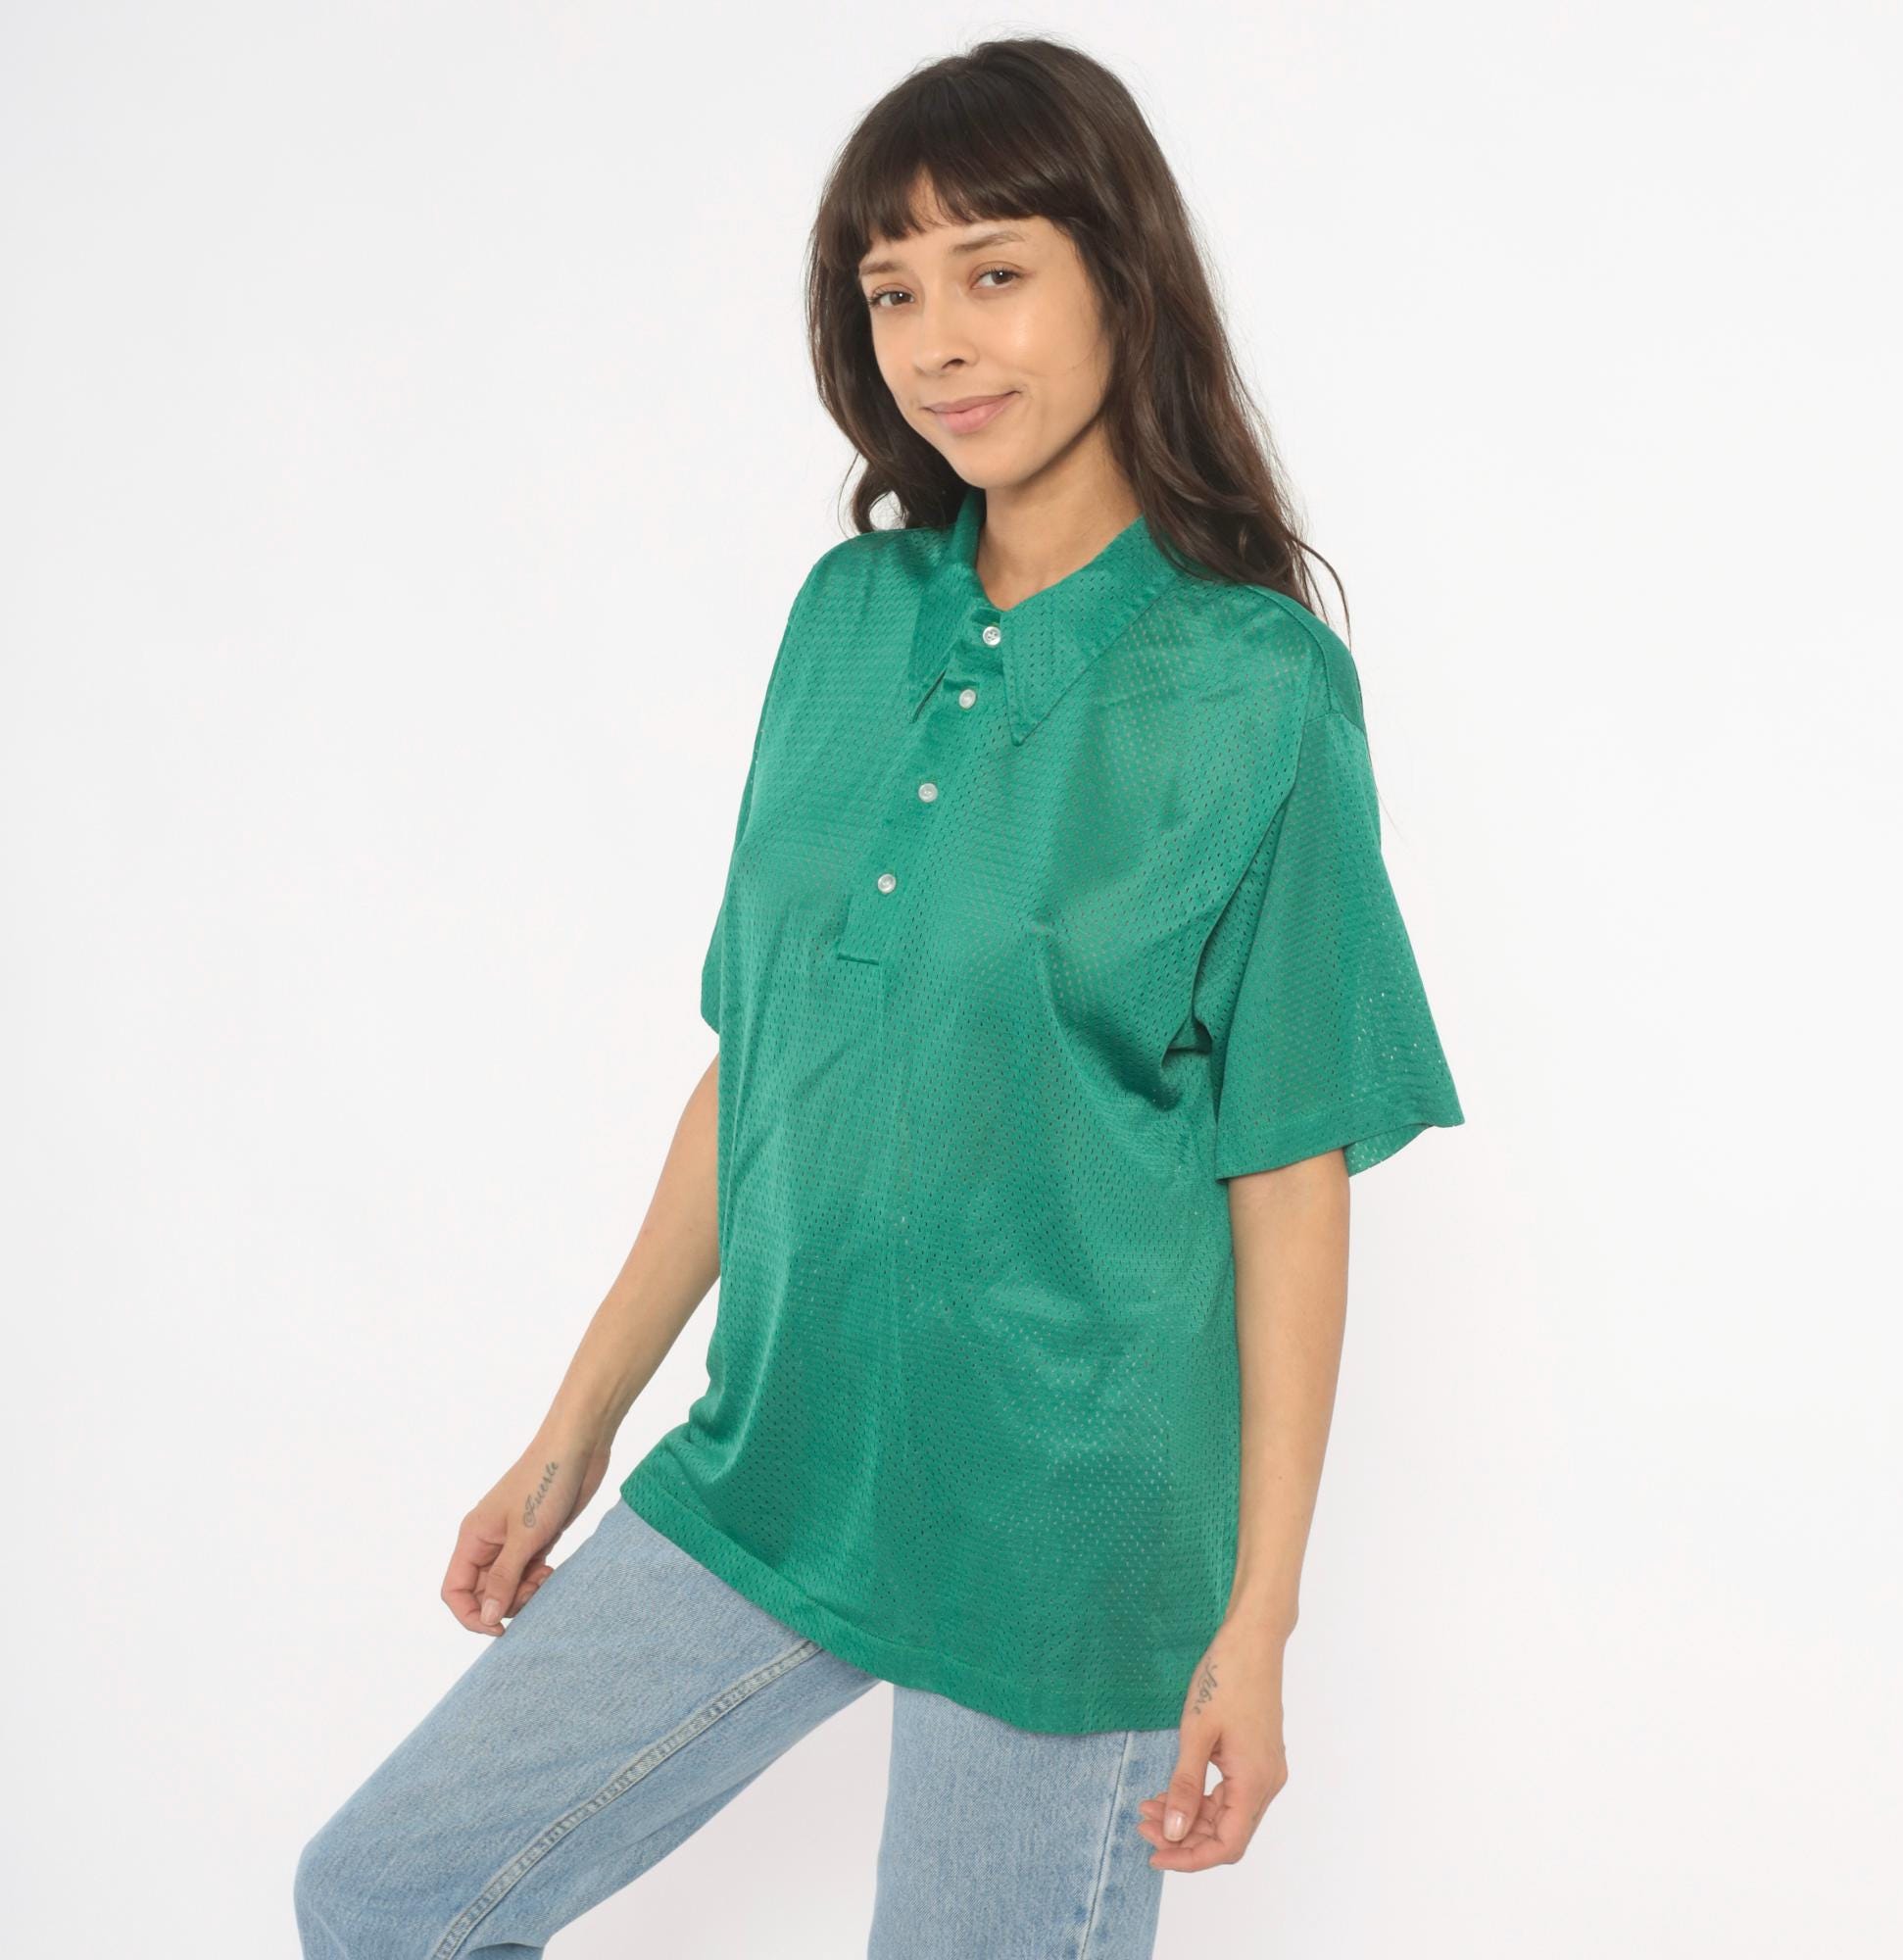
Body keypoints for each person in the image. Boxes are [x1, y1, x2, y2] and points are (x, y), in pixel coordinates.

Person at [294, 33, 1465, 1959]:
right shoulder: (846, 624)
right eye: (892, 291)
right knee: (384, 1893)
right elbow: (760, 1062)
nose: (937, 342)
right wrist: (576, 1424)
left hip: (1068, 1534)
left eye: (992, 272)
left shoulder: (1255, 686)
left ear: (1124, 278)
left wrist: (1257, 1619)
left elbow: (1286, 1166)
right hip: (783, 1459)